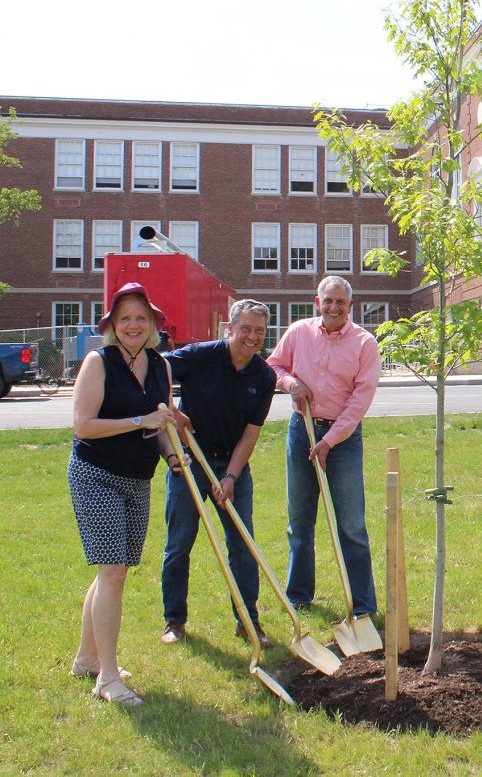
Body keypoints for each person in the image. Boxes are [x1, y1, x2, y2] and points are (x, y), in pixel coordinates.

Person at [68, 282, 178, 707]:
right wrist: (139, 419)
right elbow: (84, 426)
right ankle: (108, 678)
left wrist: (172, 457)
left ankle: (86, 659)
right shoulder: (99, 362)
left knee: (114, 572)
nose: (133, 325)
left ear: (152, 325)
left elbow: (161, 423)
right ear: (113, 325)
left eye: (141, 318)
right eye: (125, 318)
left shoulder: (160, 365)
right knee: (112, 570)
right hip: (95, 473)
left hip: (138, 478)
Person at [159, 299, 277, 647]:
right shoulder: (201, 355)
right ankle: (174, 620)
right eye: (246, 329)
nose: (252, 337)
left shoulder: (264, 376)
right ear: (231, 329)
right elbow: (156, 370)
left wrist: (231, 477)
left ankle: (247, 620)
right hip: (191, 463)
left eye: (259, 331)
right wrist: (171, 409)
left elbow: (251, 433)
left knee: (242, 544)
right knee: (180, 542)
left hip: (231, 463)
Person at [267, 276, 381, 613]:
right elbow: (273, 364)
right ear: (318, 302)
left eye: (340, 303)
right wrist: (290, 384)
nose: (333, 307)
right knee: (299, 521)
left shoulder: (364, 343)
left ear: (350, 307)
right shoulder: (299, 332)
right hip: (302, 431)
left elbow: (359, 402)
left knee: (351, 524)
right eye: (327, 301)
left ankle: (362, 605)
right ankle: (299, 597)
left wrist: (329, 442)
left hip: (342, 440)